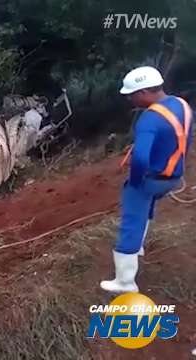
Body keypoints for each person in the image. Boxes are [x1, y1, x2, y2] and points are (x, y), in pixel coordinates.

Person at [100, 66, 192, 293]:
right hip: (174, 176)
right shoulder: (182, 105)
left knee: (131, 220)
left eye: (132, 94)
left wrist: (136, 179)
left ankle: (124, 282)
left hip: (153, 178)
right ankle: (138, 246)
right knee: (146, 207)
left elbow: (140, 157)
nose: (130, 99)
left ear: (143, 92)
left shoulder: (149, 119)